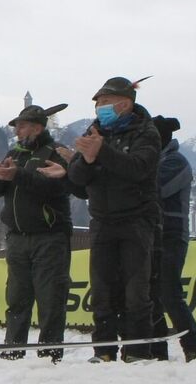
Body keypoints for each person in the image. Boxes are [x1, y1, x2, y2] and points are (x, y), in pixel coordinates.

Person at [68, 76, 160, 363]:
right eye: (97, 104)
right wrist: (87, 159)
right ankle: (104, 351)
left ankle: (136, 350)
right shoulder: (94, 132)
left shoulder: (146, 132)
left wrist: (102, 152)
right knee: (102, 290)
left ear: (125, 103)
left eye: (105, 102)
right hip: (102, 221)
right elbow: (76, 181)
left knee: (136, 291)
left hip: (137, 221)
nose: (100, 108)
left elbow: (139, 168)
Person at [0, 103, 73, 363]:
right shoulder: (15, 153)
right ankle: (13, 349)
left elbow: (55, 188)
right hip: (16, 237)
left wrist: (18, 175)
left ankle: (49, 353)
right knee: (17, 298)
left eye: (21, 126)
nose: (17, 131)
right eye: (15, 127)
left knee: (51, 298)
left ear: (37, 127)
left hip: (49, 236)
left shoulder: (54, 152)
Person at [150, 116, 196, 362]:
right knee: (150, 293)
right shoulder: (156, 161)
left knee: (170, 292)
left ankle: (192, 346)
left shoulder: (176, 162)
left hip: (172, 233)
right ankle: (157, 348)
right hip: (150, 233)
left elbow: (157, 189)